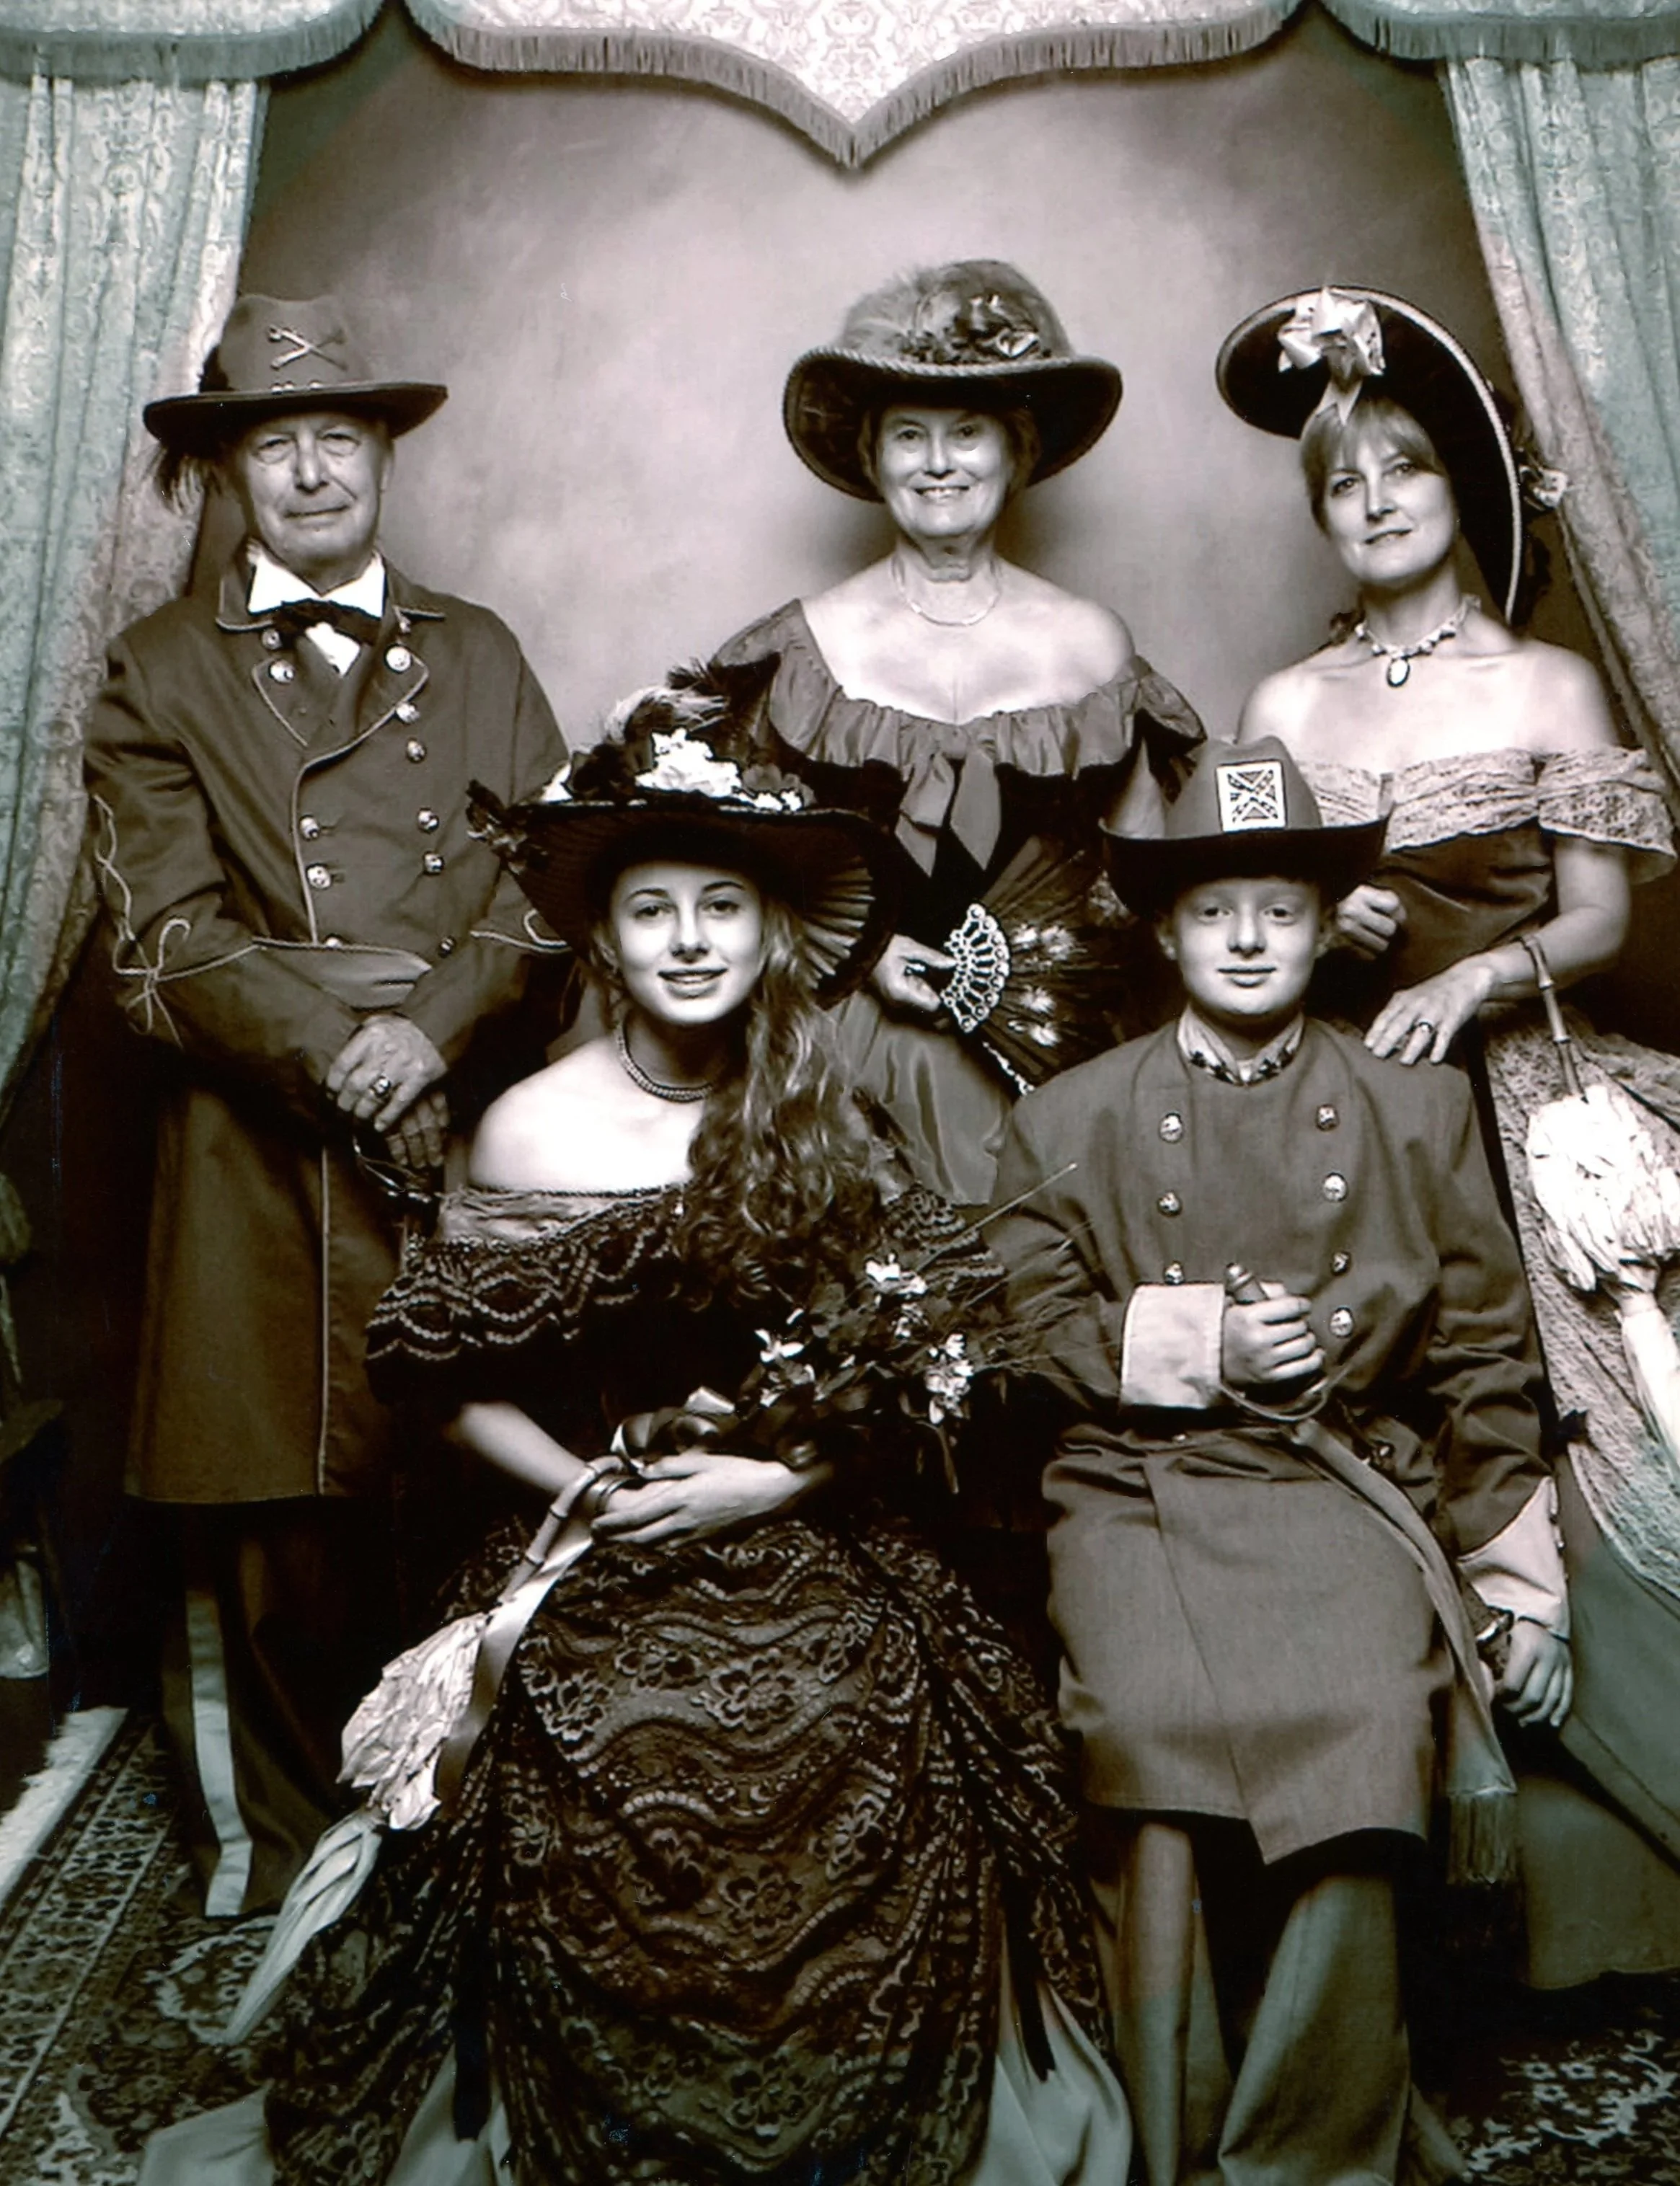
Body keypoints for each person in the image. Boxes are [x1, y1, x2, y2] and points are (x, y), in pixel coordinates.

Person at [138, 662, 1131, 2186]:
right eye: (654, 909)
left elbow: (908, 1351)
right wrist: (590, 1493)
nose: (688, 940)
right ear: (602, 935)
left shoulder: (820, 1099)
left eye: (720, 908)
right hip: (582, 1519)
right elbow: (447, 1381)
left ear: (769, 932)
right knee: (604, 1736)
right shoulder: (532, 1121)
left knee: (860, 1703)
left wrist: (772, 1479)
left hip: (782, 1512)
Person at [990, 735, 1570, 2186]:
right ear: (1163, 927)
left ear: (1328, 927)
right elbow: (1020, 1326)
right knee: (1148, 1718)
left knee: (1364, 1714)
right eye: (1213, 910)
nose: (1247, 938)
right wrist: (1198, 1345)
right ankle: (1167, 2125)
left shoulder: (1415, 1107)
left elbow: (1486, 1353)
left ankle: (1304, 2151)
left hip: (1338, 1478)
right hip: (1133, 1488)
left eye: (1281, 909)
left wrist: (1523, 1583)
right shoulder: (1066, 1116)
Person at [83, 293, 566, 1917]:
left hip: (459, 1106)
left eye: (338, 437)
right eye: (273, 442)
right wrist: (337, 1042)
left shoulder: (482, 649)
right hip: (255, 1123)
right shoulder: (156, 672)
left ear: (382, 453)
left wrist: (428, 1029)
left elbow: (548, 886)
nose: (310, 470)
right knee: (271, 1516)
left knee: (457, 1476)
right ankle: (286, 1854)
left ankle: (462, 1835)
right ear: (224, 472)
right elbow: (158, 944)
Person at [1221, 284, 1680, 1986]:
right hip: (1348, 1092)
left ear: (1460, 484)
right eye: (1344, 485)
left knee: (1605, 1394)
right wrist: (1322, 923)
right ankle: (1437, 1809)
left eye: (1406, 469)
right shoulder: (1279, 698)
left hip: (1521, 1082)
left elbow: (1595, 923)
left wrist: (1474, 973)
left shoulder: (1547, 681)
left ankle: (1619, 1747)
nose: (1378, 504)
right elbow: (1236, 909)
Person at [714, 259, 1203, 1205]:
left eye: (967, 434)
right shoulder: (799, 649)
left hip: (1057, 1069)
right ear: (871, 457)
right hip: (843, 1064)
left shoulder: (1091, 644)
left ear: (1017, 453)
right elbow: (735, 876)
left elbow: (1146, 887)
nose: (938, 464)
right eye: (909, 435)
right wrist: (855, 955)